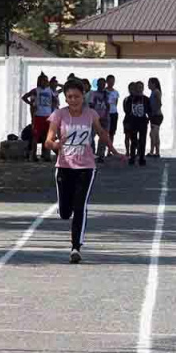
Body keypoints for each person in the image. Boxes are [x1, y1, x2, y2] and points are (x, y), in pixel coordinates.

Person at [45, 78, 123, 264]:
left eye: (77, 96)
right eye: (69, 97)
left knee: (80, 207)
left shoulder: (90, 114)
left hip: (86, 167)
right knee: (65, 212)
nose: (73, 100)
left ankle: (76, 247)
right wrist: (55, 144)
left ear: (83, 96)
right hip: (64, 167)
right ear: (65, 98)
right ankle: (65, 209)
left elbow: (102, 133)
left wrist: (114, 151)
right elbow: (48, 140)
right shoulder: (59, 115)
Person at [23, 73, 58, 162]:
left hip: (48, 116)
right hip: (38, 116)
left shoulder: (50, 90)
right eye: (43, 80)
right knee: (36, 136)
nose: (45, 82)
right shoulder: (36, 90)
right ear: (39, 81)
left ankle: (47, 155)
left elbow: (55, 100)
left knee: (47, 136)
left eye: (46, 80)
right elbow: (25, 97)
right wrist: (31, 104)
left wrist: (53, 109)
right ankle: (33, 155)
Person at [122, 81, 151, 166]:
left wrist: (148, 118)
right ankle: (132, 157)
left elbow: (149, 110)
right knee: (133, 140)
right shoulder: (129, 99)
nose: (139, 89)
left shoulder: (145, 99)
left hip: (142, 121)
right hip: (133, 121)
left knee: (142, 140)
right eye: (138, 87)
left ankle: (141, 158)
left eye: (141, 87)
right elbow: (126, 110)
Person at [89, 77, 113, 163]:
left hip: (104, 118)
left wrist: (107, 116)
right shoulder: (93, 94)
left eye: (103, 84)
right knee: (91, 137)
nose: (102, 85)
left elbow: (109, 106)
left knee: (103, 138)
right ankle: (92, 154)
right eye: (100, 84)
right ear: (97, 84)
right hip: (95, 118)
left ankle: (100, 155)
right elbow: (91, 105)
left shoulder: (107, 94)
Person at [147, 77, 163, 158]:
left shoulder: (156, 92)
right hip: (154, 116)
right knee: (156, 135)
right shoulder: (153, 92)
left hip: (157, 116)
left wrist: (154, 112)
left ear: (154, 84)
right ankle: (157, 152)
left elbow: (159, 103)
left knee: (152, 134)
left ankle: (152, 151)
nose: (148, 85)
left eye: (149, 83)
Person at [106, 74, 120, 149]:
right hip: (105, 114)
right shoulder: (104, 91)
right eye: (110, 81)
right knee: (105, 132)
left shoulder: (116, 92)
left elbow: (116, 103)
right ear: (107, 81)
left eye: (113, 81)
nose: (111, 83)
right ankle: (103, 148)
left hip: (114, 113)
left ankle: (110, 149)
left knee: (112, 132)